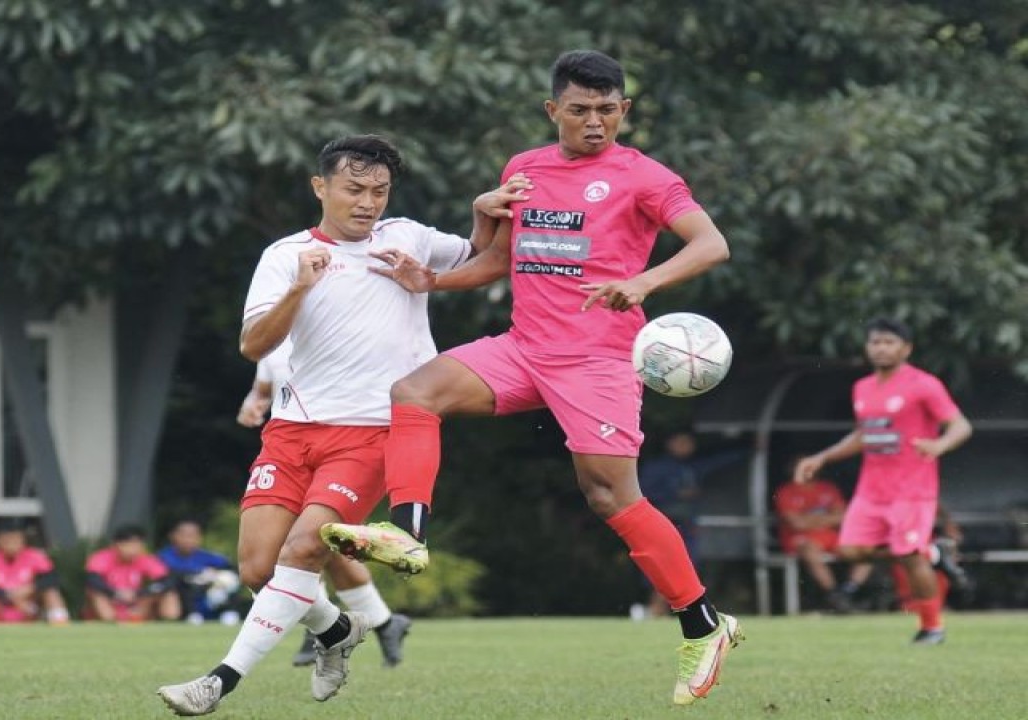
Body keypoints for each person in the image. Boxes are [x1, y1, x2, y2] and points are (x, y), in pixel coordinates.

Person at [321, 50, 741, 706]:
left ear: (624, 111)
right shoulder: (525, 168)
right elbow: (495, 259)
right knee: (413, 392)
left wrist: (643, 281)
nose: (595, 122)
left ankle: (703, 623)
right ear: (554, 112)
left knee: (609, 497)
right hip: (524, 348)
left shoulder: (644, 177)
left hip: (598, 360)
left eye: (608, 110)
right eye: (580, 110)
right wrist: (437, 269)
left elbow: (711, 243)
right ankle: (407, 533)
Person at [156, 135, 527, 716]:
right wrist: (301, 288)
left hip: (375, 433)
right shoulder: (286, 256)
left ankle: (218, 682)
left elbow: (478, 256)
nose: (368, 202)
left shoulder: (407, 236)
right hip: (292, 431)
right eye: (354, 189)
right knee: (257, 567)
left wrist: (485, 212)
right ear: (320, 187)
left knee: (304, 550)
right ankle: (336, 632)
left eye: (379, 191)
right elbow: (254, 344)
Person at [795, 317, 973, 644]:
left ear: (906, 348)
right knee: (850, 551)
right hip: (871, 490)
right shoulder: (862, 388)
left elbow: (961, 425)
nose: (881, 348)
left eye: (889, 342)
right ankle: (933, 554)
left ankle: (932, 628)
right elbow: (865, 435)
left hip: (912, 490)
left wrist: (939, 445)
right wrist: (822, 457)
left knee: (907, 555)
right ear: (867, 347)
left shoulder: (924, 384)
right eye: (875, 342)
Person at [240, 339, 413, 667]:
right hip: (288, 452)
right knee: (317, 549)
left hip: (340, 452)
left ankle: (326, 627)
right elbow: (262, 388)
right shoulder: (273, 341)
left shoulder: (342, 336)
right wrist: (254, 402)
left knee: (312, 543)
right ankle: (381, 624)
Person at [633, 431, 745, 618]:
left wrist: (750, 448)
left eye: (689, 442)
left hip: (687, 527)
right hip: (664, 523)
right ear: (670, 443)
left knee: (685, 567)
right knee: (663, 566)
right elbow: (642, 494)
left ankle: (662, 609)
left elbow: (719, 461)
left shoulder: (692, 467)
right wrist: (676, 494)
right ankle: (655, 608)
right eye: (681, 442)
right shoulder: (657, 468)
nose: (686, 446)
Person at [773, 467, 873, 613]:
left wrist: (811, 520)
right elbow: (797, 524)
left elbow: (843, 517)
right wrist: (827, 519)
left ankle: (848, 591)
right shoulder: (786, 491)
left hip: (830, 536)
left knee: (864, 549)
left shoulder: (828, 488)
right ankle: (832, 593)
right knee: (808, 549)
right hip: (801, 538)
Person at [0, 523, 71, 625]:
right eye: (8, 539)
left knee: (51, 593)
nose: (12, 543)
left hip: (28, 602)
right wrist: (8, 595)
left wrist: (31, 588)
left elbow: (51, 579)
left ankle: (60, 625)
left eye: (16, 539)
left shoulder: (35, 556)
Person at [85, 525, 179, 622]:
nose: (133, 549)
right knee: (95, 593)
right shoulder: (101, 558)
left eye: (137, 545)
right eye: (128, 544)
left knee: (169, 593)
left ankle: (169, 622)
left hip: (136, 600)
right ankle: (110, 621)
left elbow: (167, 581)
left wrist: (140, 593)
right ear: (116, 545)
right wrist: (116, 593)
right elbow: (92, 580)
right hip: (111, 597)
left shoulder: (145, 559)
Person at [158, 519, 243, 625]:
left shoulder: (207, 556)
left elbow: (232, 568)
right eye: (184, 535)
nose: (188, 540)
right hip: (183, 600)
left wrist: (214, 576)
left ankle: (230, 613)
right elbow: (170, 576)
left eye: (193, 535)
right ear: (173, 536)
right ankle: (192, 615)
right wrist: (200, 575)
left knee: (228, 579)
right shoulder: (165, 556)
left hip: (209, 595)